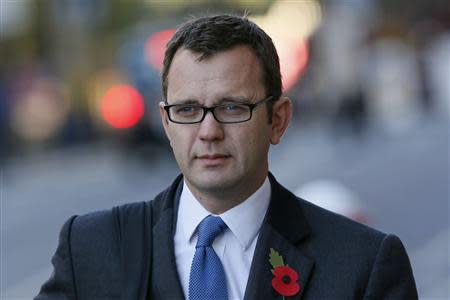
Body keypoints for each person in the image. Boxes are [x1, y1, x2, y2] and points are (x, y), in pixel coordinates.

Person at [35, 14, 418, 300]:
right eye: (186, 110)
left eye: (233, 108)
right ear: (165, 123)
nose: (208, 131)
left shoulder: (363, 264)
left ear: (278, 119)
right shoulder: (90, 248)